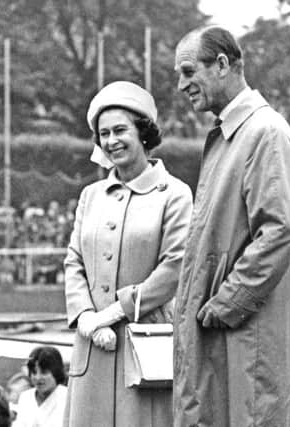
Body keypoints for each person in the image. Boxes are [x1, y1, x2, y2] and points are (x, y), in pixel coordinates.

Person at [172, 25, 290, 426]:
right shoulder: (232, 135)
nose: (181, 86)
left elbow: (281, 231)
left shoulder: (264, 133)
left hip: (245, 342)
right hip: (228, 339)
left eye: (187, 71)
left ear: (221, 65)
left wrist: (228, 303)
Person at [63, 81, 193, 427]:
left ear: (144, 133)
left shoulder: (174, 194)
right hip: (92, 346)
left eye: (120, 130)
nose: (111, 141)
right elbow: (74, 259)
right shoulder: (91, 195)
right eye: (103, 134)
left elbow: (176, 266)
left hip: (145, 347)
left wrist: (118, 311)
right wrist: (87, 317)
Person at [12, 346, 67, 427]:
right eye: (34, 372)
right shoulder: (25, 397)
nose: (38, 377)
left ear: (56, 372)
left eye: (44, 372)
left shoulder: (67, 397)